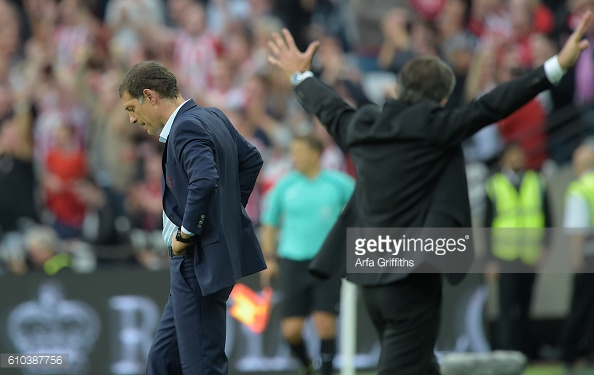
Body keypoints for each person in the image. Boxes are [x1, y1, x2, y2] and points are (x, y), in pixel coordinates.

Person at [266, 10, 592, 374]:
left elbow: (328, 106)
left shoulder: (363, 125)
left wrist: (299, 74)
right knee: (404, 365)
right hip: (413, 271)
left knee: (421, 364)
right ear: (441, 99)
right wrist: (557, 66)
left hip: (369, 268)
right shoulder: (439, 127)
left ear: (399, 89)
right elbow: (495, 103)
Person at [118, 61, 266, 375]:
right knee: (162, 363)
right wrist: (223, 213)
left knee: (201, 367)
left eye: (132, 107)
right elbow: (251, 160)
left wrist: (188, 232)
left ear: (150, 95)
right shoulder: (211, 116)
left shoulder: (185, 127)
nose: (131, 118)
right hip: (203, 261)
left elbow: (204, 180)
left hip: (195, 261)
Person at [260, 135, 354, 375]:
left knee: (324, 323)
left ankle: (327, 372)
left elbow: (362, 212)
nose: (295, 157)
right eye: (293, 151)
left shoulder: (339, 183)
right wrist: (269, 259)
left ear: (315, 154)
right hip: (292, 262)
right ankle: (307, 366)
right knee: (291, 330)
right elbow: (270, 223)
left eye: (300, 151)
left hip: (327, 262)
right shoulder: (284, 185)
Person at [483, 144, 551, 356]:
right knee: (506, 306)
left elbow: (548, 217)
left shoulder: (536, 181)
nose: (517, 159)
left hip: (529, 254)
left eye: (520, 155)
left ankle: (523, 353)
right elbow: (487, 224)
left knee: (525, 305)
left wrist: (544, 248)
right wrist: (490, 259)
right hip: (505, 256)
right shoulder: (494, 184)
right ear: (503, 159)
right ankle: (506, 351)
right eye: (512, 155)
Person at [559, 139, 594, 373]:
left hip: (587, 256)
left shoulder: (580, 187)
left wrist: (574, 258)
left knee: (580, 307)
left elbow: (578, 230)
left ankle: (568, 355)